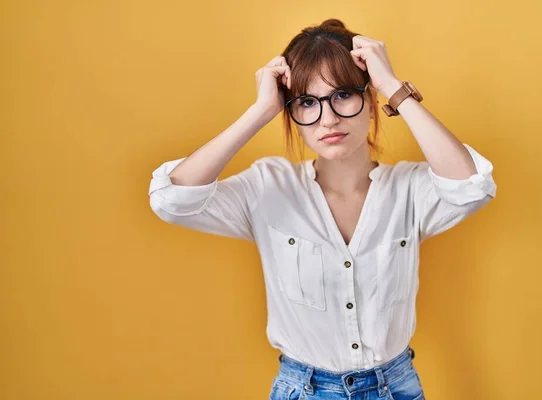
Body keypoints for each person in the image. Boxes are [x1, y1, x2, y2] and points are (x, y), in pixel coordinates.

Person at [148, 18, 496, 400]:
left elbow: (471, 188)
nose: (328, 119)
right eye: (307, 103)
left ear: (370, 101)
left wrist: (394, 89)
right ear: (291, 115)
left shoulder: (409, 190)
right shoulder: (267, 188)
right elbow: (172, 200)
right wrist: (261, 111)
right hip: (305, 389)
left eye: (343, 94)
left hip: (396, 388)